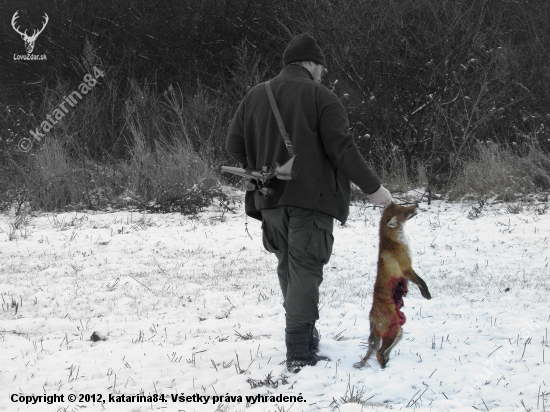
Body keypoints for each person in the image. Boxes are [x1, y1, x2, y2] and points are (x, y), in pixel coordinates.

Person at [226, 33, 392, 372]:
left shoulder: (256, 95)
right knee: (305, 269)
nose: (323, 75)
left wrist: (261, 168)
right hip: (311, 200)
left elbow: (234, 146)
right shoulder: (322, 97)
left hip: (269, 198)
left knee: (289, 265)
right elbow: (342, 149)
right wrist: (374, 189)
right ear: (312, 64)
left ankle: (305, 335)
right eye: (322, 68)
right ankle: (299, 350)